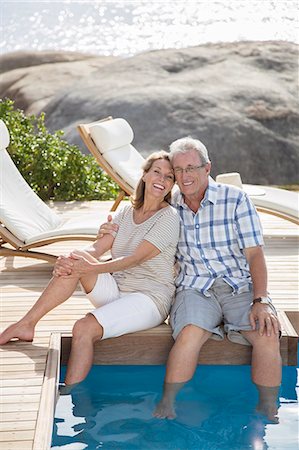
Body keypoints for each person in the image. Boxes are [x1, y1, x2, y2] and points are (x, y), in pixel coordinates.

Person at [99, 137, 282, 422]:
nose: (184, 177)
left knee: (268, 334)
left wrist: (261, 299)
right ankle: (168, 402)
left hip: (238, 285)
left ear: (207, 168)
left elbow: (255, 254)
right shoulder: (169, 209)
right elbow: (137, 219)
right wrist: (109, 229)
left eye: (191, 168)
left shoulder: (235, 200)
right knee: (189, 335)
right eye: (178, 170)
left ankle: (268, 408)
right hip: (194, 288)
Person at [0, 151, 180, 390]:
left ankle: (70, 392)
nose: (162, 179)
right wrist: (70, 258)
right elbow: (97, 248)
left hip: (148, 299)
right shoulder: (126, 212)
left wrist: (90, 267)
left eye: (169, 177)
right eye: (157, 171)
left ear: (172, 185)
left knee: (83, 328)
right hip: (116, 289)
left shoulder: (168, 218)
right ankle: (27, 323)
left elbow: (135, 259)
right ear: (145, 175)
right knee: (76, 257)